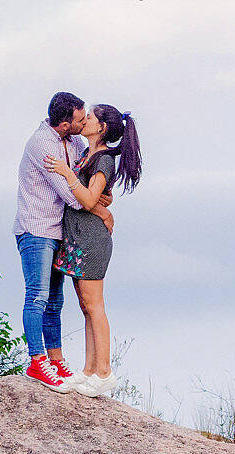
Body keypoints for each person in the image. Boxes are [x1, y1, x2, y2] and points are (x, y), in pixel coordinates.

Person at [12, 91, 111, 391]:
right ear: (65, 123)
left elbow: (84, 181)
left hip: (60, 232)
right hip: (36, 229)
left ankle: (55, 360)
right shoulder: (43, 144)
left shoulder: (75, 141)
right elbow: (73, 195)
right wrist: (101, 208)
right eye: (80, 119)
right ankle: (37, 360)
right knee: (38, 296)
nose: (85, 123)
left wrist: (98, 195)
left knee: (55, 301)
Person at [43, 104, 142, 398]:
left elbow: (87, 200)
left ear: (101, 128)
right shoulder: (88, 154)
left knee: (95, 306)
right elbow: (96, 202)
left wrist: (64, 172)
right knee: (86, 307)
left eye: (90, 118)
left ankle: (104, 372)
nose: (84, 121)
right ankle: (89, 370)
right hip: (77, 239)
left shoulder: (104, 161)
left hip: (92, 242)